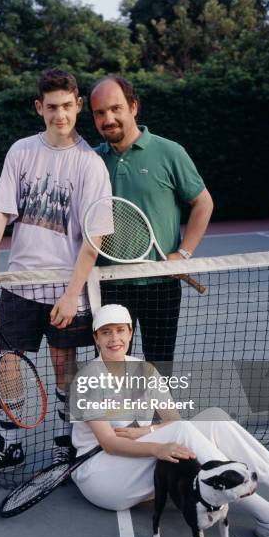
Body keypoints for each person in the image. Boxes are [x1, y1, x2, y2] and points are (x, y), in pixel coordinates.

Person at [71, 304, 269, 537]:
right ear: (96, 338)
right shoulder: (86, 380)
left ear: (131, 333)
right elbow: (110, 444)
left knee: (214, 418)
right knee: (183, 431)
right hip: (102, 474)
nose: (115, 339)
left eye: (120, 330)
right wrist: (158, 446)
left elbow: (172, 419)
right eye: (106, 332)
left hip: (140, 457)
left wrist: (148, 431)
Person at [0, 68, 112, 480]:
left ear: (78, 105)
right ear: (39, 108)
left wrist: (71, 294)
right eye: (52, 107)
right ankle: (9, 446)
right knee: (5, 361)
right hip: (20, 286)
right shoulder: (21, 152)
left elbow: (93, 239)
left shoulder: (91, 165)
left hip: (67, 291)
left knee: (64, 366)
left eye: (67, 106)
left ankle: (66, 446)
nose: (60, 115)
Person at [88, 76, 214, 366]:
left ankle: (161, 414)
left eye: (116, 108)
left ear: (133, 107)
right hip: (109, 284)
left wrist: (183, 254)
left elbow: (203, 203)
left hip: (160, 283)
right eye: (99, 112)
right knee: (113, 367)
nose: (108, 118)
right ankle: (122, 414)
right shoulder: (90, 161)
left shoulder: (170, 152)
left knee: (159, 365)